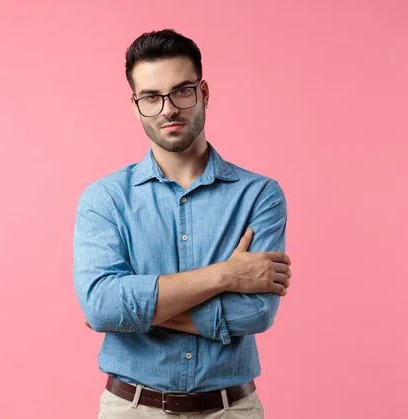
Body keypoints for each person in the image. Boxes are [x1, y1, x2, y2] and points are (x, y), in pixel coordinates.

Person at [73, 29, 292, 418]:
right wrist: (226, 276)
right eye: (151, 97)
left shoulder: (259, 195)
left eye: (181, 91)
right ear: (136, 104)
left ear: (204, 93)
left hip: (232, 409)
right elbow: (102, 306)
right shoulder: (105, 198)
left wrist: (137, 311)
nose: (167, 109)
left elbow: (256, 312)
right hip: (133, 409)